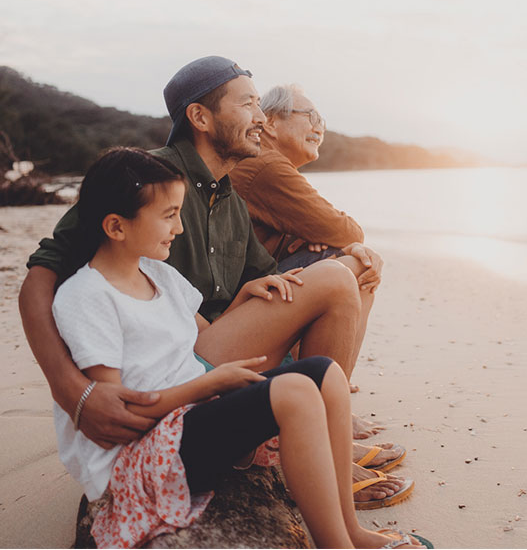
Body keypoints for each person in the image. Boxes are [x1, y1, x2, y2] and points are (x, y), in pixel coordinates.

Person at [20, 56, 406, 505]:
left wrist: (334, 254)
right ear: (200, 118)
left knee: (346, 271)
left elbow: (266, 277)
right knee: (335, 281)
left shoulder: (229, 195)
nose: (261, 118)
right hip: (175, 364)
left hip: (212, 343)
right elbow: (42, 271)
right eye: (248, 105)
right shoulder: (148, 178)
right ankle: (319, 455)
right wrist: (74, 392)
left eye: (261, 105)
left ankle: (318, 440)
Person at [51, 146, 430, 549]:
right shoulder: (86, 297)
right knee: (296, 393)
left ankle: (353, 531)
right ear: (116, 226)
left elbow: (193, 338)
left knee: (324, 374)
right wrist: (211, 383)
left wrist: (243, 300)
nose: (178, 229)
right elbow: (116, 415)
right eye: (168, 216)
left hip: (189, 417)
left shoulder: (158, 273)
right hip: (141, 454)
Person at [230, 84, 383, 400]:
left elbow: (326, 229)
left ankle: (326, 376)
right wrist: (330, 240)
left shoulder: (267, 164)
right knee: (360, 266)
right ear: (270, 122)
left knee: (336, 254)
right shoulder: (266, 164)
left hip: (246, 291)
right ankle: (333, 400)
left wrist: (313, 238)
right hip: (238, 308)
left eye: (323, 121)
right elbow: (348, 230)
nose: (318, 127)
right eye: (310, 116)